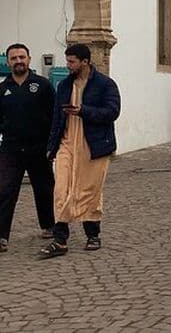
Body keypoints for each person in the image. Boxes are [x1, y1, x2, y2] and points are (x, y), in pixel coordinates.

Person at [38, 44, 120, 259]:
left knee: (88, 191)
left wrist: (83, 111)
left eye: (72, 61)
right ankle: (60, 239)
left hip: (94, 145)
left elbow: (112, 112)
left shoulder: (105, 84)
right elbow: (57, 116)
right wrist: (51, 147)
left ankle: (93, 234)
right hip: (67, 143)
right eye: (67, 61)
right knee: (61, 190)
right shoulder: (65, 85)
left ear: (85, 61)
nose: (68, 65)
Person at [0, 44, 56, 253]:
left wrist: (53, 145)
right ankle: (1, 236)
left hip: (38, 147)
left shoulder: (42, 85)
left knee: (44, 188)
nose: (18, 61)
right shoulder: (2, 89)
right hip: (10, 149)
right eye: (13, 58)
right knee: (5, 190)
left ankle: (49, 226)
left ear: (29, 59)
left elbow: (54, 116)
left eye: (22, 57)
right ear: (8, 62)